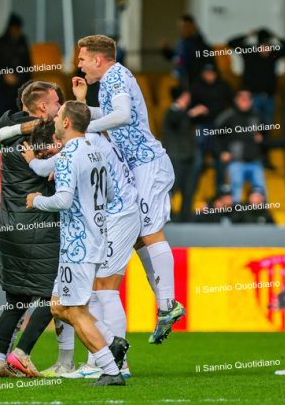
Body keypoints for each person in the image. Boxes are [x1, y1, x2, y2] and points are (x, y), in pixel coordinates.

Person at [76, 35, 185, 344]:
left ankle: (168, 304)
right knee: (138, 238)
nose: (79, 66)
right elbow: (111, 115)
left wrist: (85, 126)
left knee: (151, 233)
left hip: (147, 163)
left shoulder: (116, 75)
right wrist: (81, 108)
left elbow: (122, 116)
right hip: (136, 167)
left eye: (82, 59)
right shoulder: (110, 81)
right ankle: (165, 304)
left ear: (97, 59)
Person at [26, 101, 128, 386]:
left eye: (59, 115)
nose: (55, 118)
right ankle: (112, 340)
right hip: (93, 238)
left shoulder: (69, 155)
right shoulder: (96, 150)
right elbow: (110, 194)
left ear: (67, 122)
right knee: (58, 306)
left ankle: (111, 370)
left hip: (77, 245)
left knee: (74, 310)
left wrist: (37, 200)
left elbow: (63, 200)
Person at [0, 81, 63, 379]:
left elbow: (4, 134)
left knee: (17, 298)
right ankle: (22, 353)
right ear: (42, 107)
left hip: (9, 223)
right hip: (37, 224)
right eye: (56, 103)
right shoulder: (41, 137)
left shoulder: (5, 127)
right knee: (58, 292)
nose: (59, 108)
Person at [215, 90, 267, 203]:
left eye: (247, 99)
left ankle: (263, 214)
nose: (245, 102)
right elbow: (215, 134)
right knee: (235, 195)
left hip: (255, 161)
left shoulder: (257, 115)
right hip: (236, 161)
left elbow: (266, 133)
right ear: (236, 100)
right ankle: (235, 214)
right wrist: (222, 151)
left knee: (261, 194)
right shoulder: (228, 115)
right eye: (242, 99)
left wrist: (262, 137)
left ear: (251, 101)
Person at [227, 28, 285, 126]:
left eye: (268, 46)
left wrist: (277, 37)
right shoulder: (249, 53)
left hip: (269, 97)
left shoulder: (274, 55)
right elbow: (231, 43)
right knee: (252, 125)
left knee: (267, 125)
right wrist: (248, 35)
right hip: (252, 97)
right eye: (263, 46)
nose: (265, 49)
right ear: (258, 46)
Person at [161, 87, 204, 222]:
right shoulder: (172, 111)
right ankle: (167, 216)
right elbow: (174, 119)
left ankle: (185, 217)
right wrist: (191, 113)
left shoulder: (185, 113)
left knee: (189, 188)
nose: (188, 99)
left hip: (189, 156)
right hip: (175, 157)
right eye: (185, 96)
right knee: (172, 188)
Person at [0, 13, 32, 124]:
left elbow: (28, 67)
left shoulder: (22, 43)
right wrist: (4, 75)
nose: (16, 32)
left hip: (19, 87)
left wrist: (19, 79)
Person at [190, 63, 233, 192]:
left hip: (219, 128)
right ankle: (192, 189)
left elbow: (234, 103)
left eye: (211, 73)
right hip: (202, 126)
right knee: (198, 161)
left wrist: (226, 117)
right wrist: (197, 111)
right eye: (207, 73)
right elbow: (189, 111)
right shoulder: (196, 87)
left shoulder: (223, 86)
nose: (209, 76)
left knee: (220, 160)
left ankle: (220, 191)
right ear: (202, 74)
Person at [160, 14, 213, 88]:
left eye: (184, 27)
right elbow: (177, 58)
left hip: (194, 82)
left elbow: (206, 64)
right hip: (180, 80)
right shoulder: (181, 43)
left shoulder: (201, 45)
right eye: (180, 27)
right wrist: (166, 51)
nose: (182, 30)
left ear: (192, 26)